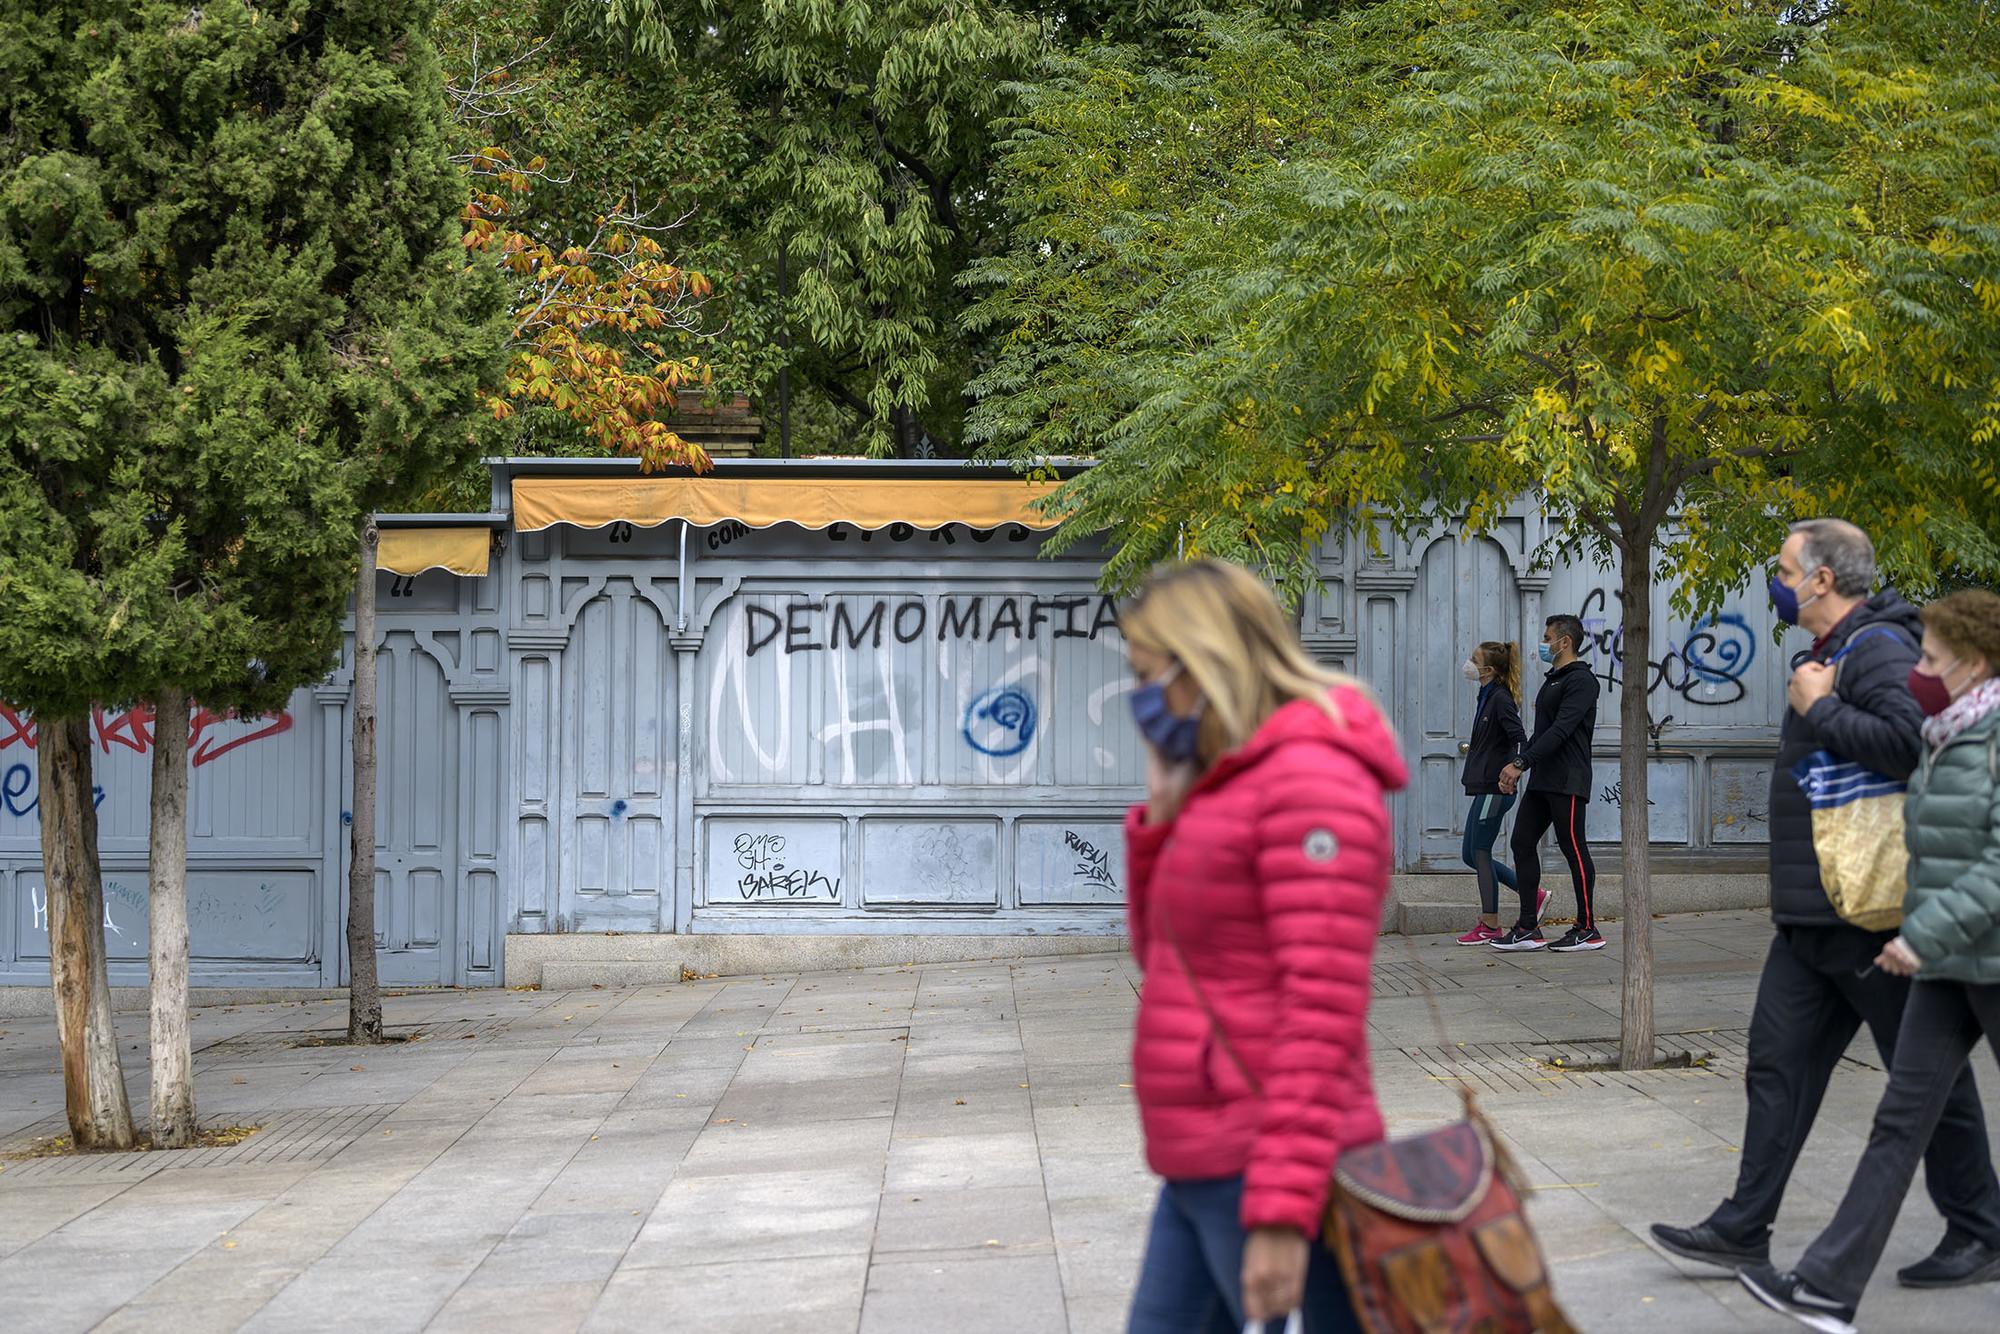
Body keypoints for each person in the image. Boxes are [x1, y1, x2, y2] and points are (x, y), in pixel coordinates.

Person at [1651, 520, 2000, 1289]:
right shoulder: (1830, 652)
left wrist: (1819, 710)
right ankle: (1744, 1226)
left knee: (1926, 1086)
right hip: (1814, 915)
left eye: (1783, 568)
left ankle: (1980, 1226)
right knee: (1776, 1065)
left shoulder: (1876, 649)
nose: (1774, 579)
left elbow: (1914, 743)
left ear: (1821, 580)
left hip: (1868, 915)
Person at [1120, 559, 1399, 1333]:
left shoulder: (1313, 781)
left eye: (1148, 675)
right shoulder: (1227, 782)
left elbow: (1323, 1011)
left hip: (1267, 1160)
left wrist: (1280, 1210)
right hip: (1205, 1157)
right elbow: (1166, 960)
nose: (1140, 699)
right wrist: (1163, 817)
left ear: (1203, 661)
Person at [1740, 588, 2000, 1331]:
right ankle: (1826, 1286)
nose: (1916, 669)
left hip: (1983, 956)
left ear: (1973, 663)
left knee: (1908, 1116)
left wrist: (1925, 929)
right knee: (1897, 1122)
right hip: (1948, 963)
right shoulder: (1950, 733)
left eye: (1930, 657)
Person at [1490, 613, 1603, 952]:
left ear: (1564, 642)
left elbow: (1561, 730)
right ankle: (1528, 927)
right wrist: (1518, 764)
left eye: (1548, 637)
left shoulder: (1582, 681)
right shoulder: (1553, 679)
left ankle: (1587, 927)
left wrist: (1521, 762)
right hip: (1543, 778)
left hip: (1568, 779)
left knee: (1574, 849)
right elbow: (1541, 733)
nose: (1544, 642)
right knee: (1522, 842)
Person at [1457, 640, 1544, 945]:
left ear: (1488, 670)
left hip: (1495, 789)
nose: (1468, 663)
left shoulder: (1500, 699)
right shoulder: (1487, 696)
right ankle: (1532, 893)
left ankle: (1490, 924)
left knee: (1480, 852)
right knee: (1469, 853)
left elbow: (1520, 739)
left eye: (1473, 659)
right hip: (1483, 786)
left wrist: (1515, 768)